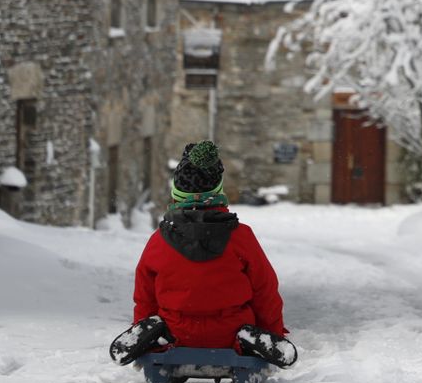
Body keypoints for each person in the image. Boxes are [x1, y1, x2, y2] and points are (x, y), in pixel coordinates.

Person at [109, 141, 297, 368]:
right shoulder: (241, 237)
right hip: (231, 334)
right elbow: (265, 292)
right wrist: (273, 332)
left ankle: (150, 340)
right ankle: (251, 341)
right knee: (247, 328)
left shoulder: (159, 240)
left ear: (176, 192)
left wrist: (144, 325)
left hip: (175, 334)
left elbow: (145, 296)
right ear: (218, 188)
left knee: (158, 324)